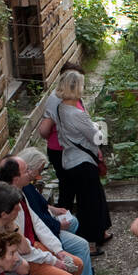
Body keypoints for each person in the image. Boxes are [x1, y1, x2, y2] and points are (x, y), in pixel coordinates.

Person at [1, 154, 105, 275]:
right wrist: (53, 260)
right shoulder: (8, 205)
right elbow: (23, 249)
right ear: (16, 179)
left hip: (35, 246)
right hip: (28, 257)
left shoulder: (21, 192)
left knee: (77, 264)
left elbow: (37, 223)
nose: (30, 173)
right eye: (26, 171)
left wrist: (58, 250)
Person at [41, 68, 112, 249]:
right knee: (90, 203)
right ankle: (92, 241)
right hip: (83, 162)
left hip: (70, 159)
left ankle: (89, 237)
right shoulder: (76, 113)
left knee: (83, 200)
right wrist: (97, 126)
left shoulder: (60, 107)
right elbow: (97, 137)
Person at [35, 62, 83, 206]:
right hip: (60, 150)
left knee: (73, 187)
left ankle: (70, 218)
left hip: (71, 150)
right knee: (68, 187)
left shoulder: (72, 95)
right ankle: (64, 219)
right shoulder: (56, 98)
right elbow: (44, 129)